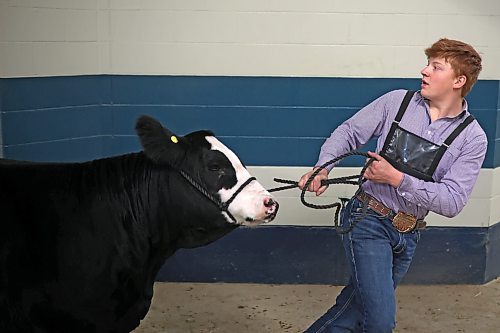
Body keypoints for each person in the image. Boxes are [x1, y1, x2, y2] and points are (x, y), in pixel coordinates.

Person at [298, 38, 487, 332]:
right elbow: (348, 132)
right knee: (380, 321)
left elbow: (452, 202)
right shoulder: (396, 102)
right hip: (367, 219)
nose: (424, 71)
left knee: (352, 312)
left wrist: (396, 178)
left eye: (436, 67)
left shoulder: (472, 138)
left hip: (408, 234)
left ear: (458, 80)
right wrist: (322, 169)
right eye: (427, 64)